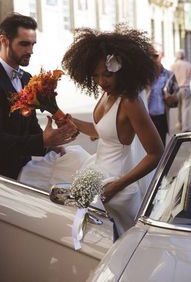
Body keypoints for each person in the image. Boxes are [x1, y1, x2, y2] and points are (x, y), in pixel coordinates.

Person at [59, 26, 163, 238]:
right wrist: (66, 118)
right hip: (96, 172)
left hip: (115, 184)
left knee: (115, 243)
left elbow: (157, 153)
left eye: (107, 74)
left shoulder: (131, 102)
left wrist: (117, 186)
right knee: (84, 235)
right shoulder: (107, 95)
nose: (101, 81)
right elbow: (100, 132)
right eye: (96, 75)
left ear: (122, 70)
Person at [0, 13, 77, 179]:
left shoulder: (27, 78)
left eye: (33, 44)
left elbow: (31, 126)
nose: (30, 51)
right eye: (24, 44)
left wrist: (50, 145)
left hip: (24, 172)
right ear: (4, 41)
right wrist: (42, 141)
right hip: (3, 179)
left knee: (75, 160)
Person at [148, 48, 178, 146]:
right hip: (146, 117)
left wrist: (172, 99)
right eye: (149, 55)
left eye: (155, 56)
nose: (152, 58)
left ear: (162, 55)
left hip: (162, 117)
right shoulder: (143, 75)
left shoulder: (169, 75)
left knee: (161, 147)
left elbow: (176, 97)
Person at [171, 49, 191, 132]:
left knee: (179, 107)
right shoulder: (188, 64)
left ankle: (179, 124)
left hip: (176, 90)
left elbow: (170, 78)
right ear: (184, 56)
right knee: (186, 108)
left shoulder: (173, 65)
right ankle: (185, 127)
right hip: (186, 88)